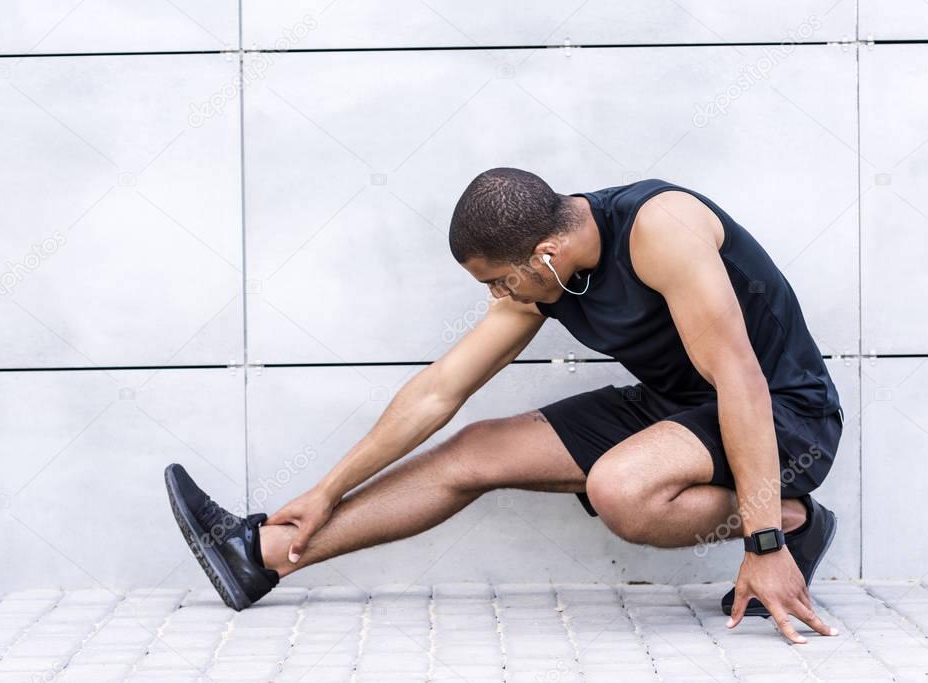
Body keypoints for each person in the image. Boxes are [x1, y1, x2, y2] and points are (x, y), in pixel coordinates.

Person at [165, 167, 844, 645]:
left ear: (544, 252)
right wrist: (327, 486)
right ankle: (260, 554)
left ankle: (789, 523)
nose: (497, 295)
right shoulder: (543, 277)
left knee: (621, 487)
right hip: (676, 408)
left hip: (783, 412)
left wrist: (760, 541)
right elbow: (440, 389)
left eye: (496, 279)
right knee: (473, 449)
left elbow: (740, 381)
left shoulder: (660, 225)